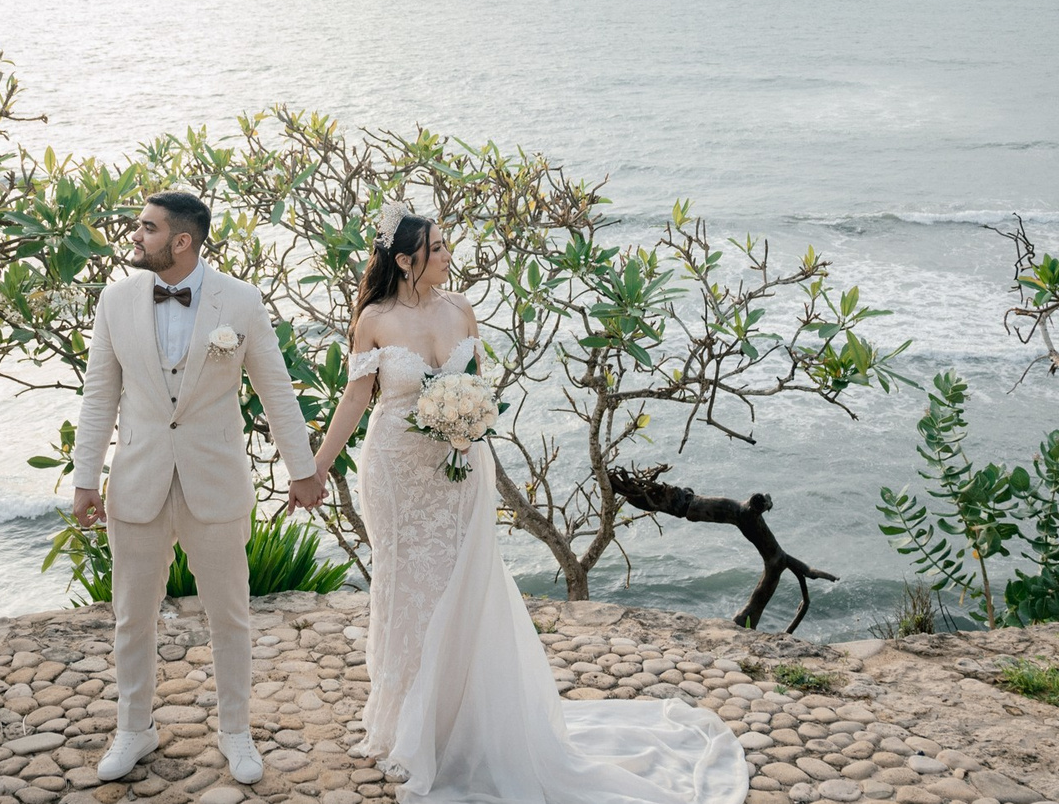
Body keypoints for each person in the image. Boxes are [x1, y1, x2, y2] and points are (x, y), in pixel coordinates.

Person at [308, 203, 749, 804]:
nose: (447, 255)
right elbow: (358, 398)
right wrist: (319, 465)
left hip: (461, 467)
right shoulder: (375, 319)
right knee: (408, 586)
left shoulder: (461, 308)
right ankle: (411, 726)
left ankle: (467, 723)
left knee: (464, 584)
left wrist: (470, 423)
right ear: (407, 259)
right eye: (436, 248)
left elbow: (478, 383)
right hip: (396, 472)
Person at [70, 191, 329, 787]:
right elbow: (98, 395)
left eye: (148, 228)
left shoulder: (240, 301)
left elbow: (276, 390)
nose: (136, 236)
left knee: (229, 615)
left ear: (181, 241)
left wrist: (303, 469)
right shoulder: (115, 299)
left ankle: (235, 730)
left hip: (213, 479)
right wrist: (86, 479)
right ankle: (134, 728)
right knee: (132, 616)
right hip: (137, 478)